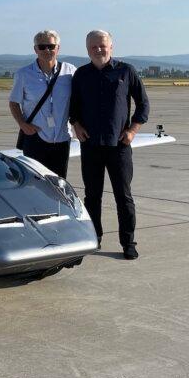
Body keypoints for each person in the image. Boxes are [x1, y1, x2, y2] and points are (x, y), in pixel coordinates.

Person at [69, 30, 149, 260]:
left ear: (111, 47)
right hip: (91, 145)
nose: (98, 50)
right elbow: (72, 105)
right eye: (93, 47)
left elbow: (143, 104)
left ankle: (128, 242)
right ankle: (94, 238)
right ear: (87, 50)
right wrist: (75, 123)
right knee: (92, 196)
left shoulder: (126, 71)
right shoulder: (81, 75)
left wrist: (133, 130)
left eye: (102, 46)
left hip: (119, 146)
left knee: (123, 197)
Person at [9, 30, 76, 178]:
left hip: (62, 137)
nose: (47, 50)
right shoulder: (24, 74)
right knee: (35, 183)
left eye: (51, 46)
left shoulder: (70, 72)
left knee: (58, 182)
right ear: (35, 49)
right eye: (42, 47)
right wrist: (22, 124)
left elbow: (80, 101)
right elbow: (14, 102)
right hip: (35, 136)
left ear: (58, 48)